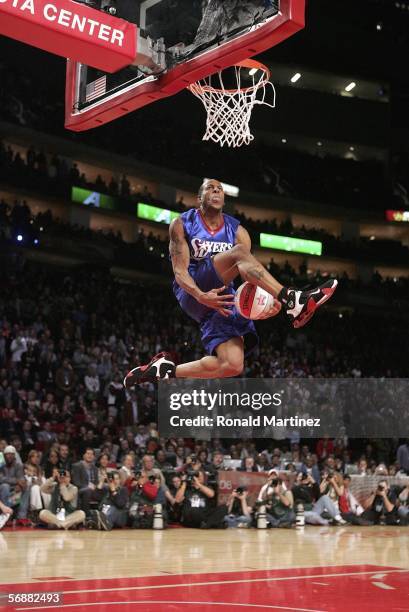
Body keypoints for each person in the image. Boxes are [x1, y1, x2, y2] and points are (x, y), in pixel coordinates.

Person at [124, 179, 337, 384]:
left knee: (232, 364)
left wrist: (267, 303)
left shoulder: (239, 232)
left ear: (224, 200)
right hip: (192, 289)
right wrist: (200, 295)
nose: (216, 191)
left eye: (219, 189)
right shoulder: (182, 224)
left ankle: (165, 371)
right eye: (210, 188)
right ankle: (293, 299)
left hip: (224, 299)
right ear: (200, 198)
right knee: (238, 253)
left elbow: (248, 277)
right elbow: (179, 272)